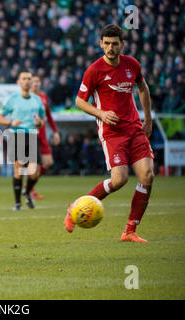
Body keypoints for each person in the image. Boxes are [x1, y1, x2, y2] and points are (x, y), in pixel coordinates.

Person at [64, 25, 154, 243]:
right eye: (107, 43)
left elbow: (143, 88)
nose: (111, 48)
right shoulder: (94, 70)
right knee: (119, 179)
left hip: (134, 128)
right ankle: (75, 210)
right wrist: (101, 113)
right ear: (100, 44)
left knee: (147, 175)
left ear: (122, 44)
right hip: (112, 133)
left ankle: (130, 230)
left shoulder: (132, 64)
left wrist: (148, 119)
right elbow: (79, 101)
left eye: (115, 43)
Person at [0, 71, 45, 211]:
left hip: (32, 135)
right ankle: (17, 203)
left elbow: (41, 121)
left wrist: (39, 122)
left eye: (29, 78)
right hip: (16, 135)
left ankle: (26, 191)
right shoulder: (12, 99)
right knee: (19, 169)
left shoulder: (37, 100)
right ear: (19, 82)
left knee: (35, 172)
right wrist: (11, 122)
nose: (27, 81)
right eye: (24, 79)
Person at [27, 75, 60, 199]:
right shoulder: (25, 98)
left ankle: (28, 186)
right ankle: (30, 190)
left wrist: (55, 132)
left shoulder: (43, 97)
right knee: (32, 166)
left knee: (49, 163)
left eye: (38, 81)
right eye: (33, 81)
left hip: (43, 135)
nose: (36, 83)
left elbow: (49, 116)